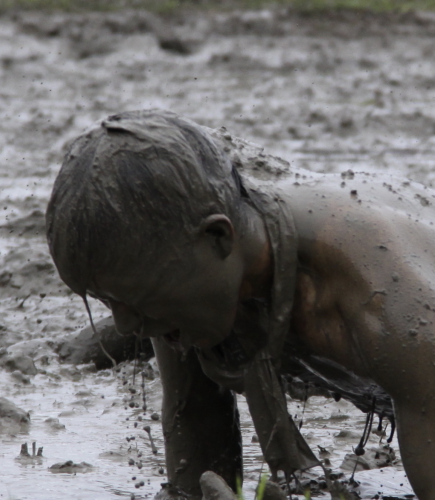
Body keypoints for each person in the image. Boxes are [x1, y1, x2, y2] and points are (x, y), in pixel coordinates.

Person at [45, 109, 435, 499]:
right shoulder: (182, 280)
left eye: (133, 299)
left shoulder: (392, 313)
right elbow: (196, 457)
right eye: (107, 301)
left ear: (218, 239)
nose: (128, 324)